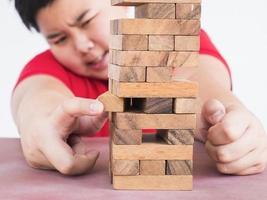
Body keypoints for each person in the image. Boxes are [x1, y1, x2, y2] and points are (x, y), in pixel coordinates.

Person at [12, 0, 267, 176]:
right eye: (59, 39)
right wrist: (39, 125)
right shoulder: (47, 67)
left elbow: (201, 80)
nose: (81, 45)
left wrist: (231, 117)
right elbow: (36, 98)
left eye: (87, 20)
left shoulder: (174, 37)